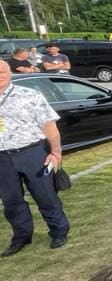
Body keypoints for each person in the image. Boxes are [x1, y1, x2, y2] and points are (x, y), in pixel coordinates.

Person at [0, 59, 70, 256]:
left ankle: (59, 230)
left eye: (2, 72)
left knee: (45, 194)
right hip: (2, 158)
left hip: (30, 152)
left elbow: (49, 126)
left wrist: (56, 152)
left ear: (10, 73)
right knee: (11, 199)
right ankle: (21, 236)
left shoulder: (29, 96)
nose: (0, 76)